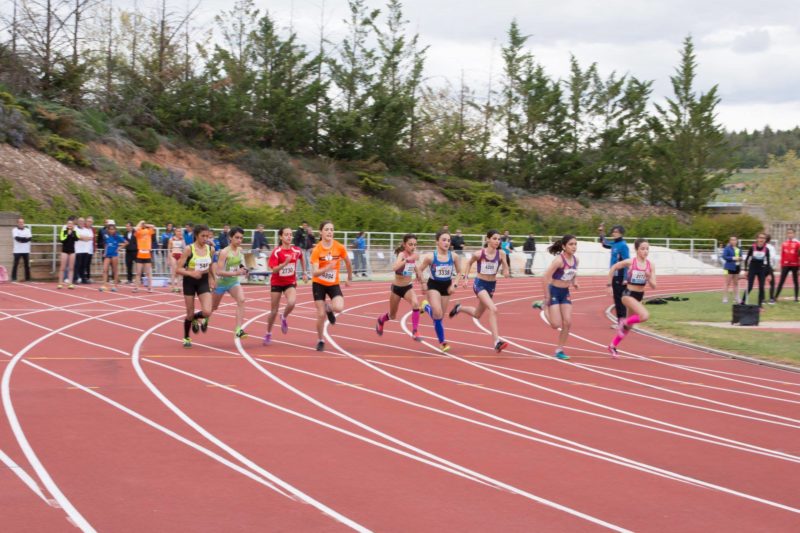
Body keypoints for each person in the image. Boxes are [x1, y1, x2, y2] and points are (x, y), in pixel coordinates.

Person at [448, 230, 510, 352]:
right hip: (479, 284)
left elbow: (506, 268)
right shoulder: (479, 254)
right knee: (493, 309)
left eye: (498, 239)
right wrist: (465, 278)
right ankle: (496, 342)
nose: (497, 241)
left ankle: (459, 308)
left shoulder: (501, 254)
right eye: (494, 238)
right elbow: (468, 263)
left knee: (477, 314)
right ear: (488, 239)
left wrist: (506, 271)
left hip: (491, 285)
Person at [607, 238, 657, 358]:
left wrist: (649, 277)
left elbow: (654, 286)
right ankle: (623, 321)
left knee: (628, 327)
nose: (645, 251)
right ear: (636, 250)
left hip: (639, 296)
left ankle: (612, 346)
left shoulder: (651, 265)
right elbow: (614, 267)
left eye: (647, 249)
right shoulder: (630, 262)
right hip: (628, 294)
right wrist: (609, 284)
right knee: (644, 316)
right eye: (642, 248)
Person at [310, 221, 353, 351]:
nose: (329, 232)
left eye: (332, 230)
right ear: (321, 232)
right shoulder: (317, 250)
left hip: (333, 283)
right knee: (321, 315)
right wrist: (327, 268)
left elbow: (348, 263)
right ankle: (320, 339)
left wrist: (349, 277)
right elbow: (315, 272)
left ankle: (329, 308)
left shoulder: (339, 247)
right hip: (318, 284)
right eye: (327, 229)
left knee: (339, 308)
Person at [417, 229, 462, 352]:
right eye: (444, 240)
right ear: (437, 242)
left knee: (440, 317)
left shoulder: (454, 256)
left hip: (447, 286)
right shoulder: (430, 257)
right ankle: (442, 342)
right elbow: (419, 269)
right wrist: (423, 283)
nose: (447, 242)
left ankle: (426, 307)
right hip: (433, 286)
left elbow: (459, 272)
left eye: (448, 240)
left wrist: (455, 285)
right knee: (437, 313)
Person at [264, 227, 308, 345]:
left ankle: (283, 316)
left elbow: (302, 257)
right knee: (273, 311)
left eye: (290, 234)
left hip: (289, 282)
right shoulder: (277, 252)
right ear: (281, 237)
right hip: (277, 282)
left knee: (292, 302)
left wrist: (304, 272)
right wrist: (284, 264)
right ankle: (268, 333)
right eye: (286, 234)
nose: (289, 236)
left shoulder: (296, 250)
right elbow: (273, 270)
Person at [375, 233, 422, 341]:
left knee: (416, 304)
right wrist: (406, 260)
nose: (413, 247)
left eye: (415, 245)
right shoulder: (402, 255)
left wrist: (420, 277)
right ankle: (381, 320)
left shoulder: (413, 255)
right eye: (410, 244)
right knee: (392, 316)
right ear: (405, 245)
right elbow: (395, 267)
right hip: (396, 289)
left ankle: (415, 331)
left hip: (407, 288)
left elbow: (416, 267)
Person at [540, 235, 580, 360]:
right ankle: (543, 307)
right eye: (571, 244)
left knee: (567, 322)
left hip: (565, 292)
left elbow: (573, 273)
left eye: (575, 244)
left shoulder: (576, 260)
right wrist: (547, 296)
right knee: (555, 324)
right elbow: (545, 278)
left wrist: (575, 282)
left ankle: (559, 350)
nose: (574, 247)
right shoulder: (559, 260)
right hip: (554, 292)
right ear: (564, 246)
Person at [176, 225, 216, 348]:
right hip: (189, 281)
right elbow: (178, 269)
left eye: (207, 236)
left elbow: (210, 266)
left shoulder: (211, 249)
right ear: (196, 236)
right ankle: (187, 337)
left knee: (207, 311)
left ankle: (196, 318)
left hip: (203, 281)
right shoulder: (189, 249)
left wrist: (212, 278)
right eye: (202, 236)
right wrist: (190, 273)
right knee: (189, 313)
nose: (205, 238)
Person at [212, 227, 249, 339]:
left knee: (241, 300)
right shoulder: (224, 252)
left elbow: (241, 263)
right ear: (230, 238)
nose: (239, 240)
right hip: (221, 283)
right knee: (213, 307)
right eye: (237, 237)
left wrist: (244, 269)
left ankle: (238, 329)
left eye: (241, 238)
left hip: (233, 282)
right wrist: (237, 272)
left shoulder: (239, 250)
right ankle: (202, 318)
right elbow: (218, 271)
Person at [599, 223, 630, 325]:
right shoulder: (614, 244)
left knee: (621, 300)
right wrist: (601, 232)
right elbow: (604, 243)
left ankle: (622, 322)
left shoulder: (623, 245)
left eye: (616, 232)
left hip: (620, 275)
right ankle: (620, 322)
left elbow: (627, 262)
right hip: (614, 274)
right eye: (613, 231)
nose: (613, 233)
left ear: (621, 233)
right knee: (617, 299)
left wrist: (626, 277)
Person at [742, 232, 771, 309]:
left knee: (761, 287)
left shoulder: (766, 249)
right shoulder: (752, 247)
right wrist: (746, 270)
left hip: (761, 269)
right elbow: (747, 259)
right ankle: (743, 301)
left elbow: (768, 262)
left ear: (765, 240)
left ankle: (760, 305)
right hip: (752, 268)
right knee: (750, 286)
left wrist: (769, 274)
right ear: (757, 239)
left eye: (763, 238)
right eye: (760, 238)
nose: (761, 239)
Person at [99, 224, 127, 292]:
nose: (111, 230)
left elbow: (126, 242)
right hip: (108, 255)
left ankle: (115, 286)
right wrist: (105, 252)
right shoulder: (106, 236)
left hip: (114, 255)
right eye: (110, 229)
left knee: (115, 270)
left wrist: (119, 248)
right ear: (108, 230)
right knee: (105, 270)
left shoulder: (117, 236)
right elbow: (106, 245)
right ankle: (104, 285)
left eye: (113, 229)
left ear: (115, 230)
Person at [775, 228, 800, 302]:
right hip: (785, 265)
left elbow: (799, 256)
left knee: (795, 281)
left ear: (794, 234)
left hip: (795, 265)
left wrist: (799, 268)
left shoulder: (798, 244)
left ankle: (796, 298)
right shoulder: (784, 243)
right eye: (788, 233)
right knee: (781, 281)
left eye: (791, 233)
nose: (790, 234)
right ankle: (775, 297)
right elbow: (782, 255)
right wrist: (781, 265)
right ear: (787, 234)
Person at [133, 220, 157, 293]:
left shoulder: (148, 231)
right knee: (138, 272)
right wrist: (140, 222)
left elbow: (153, 227)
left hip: (147, 254)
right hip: (140, 253)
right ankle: (136, 287)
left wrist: (146, 224)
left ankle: (150, 287)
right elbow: (135, 229)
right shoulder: (138, 231)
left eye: (143, 224)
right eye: (142, 224)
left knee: (148, 273)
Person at [57, 219, 78, 289]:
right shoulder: (64, 231)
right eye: (68, 223)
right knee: (62, 267)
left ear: (73, 225)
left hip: (72, 251)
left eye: (71, 224)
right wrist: (68, 234)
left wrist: (72, 233)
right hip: (64, 251)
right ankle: (60, 283)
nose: (70, 225)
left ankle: (70, 283)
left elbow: (77, 238)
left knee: (71, 268)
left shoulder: (75, 232)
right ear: (67, 225)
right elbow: (62, 240)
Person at [721, 235, 742, 304]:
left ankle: (737, 297)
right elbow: (724, 256)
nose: (733, 241)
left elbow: (741, 256)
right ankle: (725, 298)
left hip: (737, 267)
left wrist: (740, 258)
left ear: (737, 241)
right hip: (729, 267)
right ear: (730, 241)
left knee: (736, 283)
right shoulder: (727, 248)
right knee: (727, 283)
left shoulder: (739, 248)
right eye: (732, 240)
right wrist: (733, 258)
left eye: (735, 240)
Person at [73, 217, 93, 284]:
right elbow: (76, 237)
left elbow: (90, 238)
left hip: (86, 250)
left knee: (83, 265)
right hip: (77, 250)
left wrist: (81, 237)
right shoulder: (75, 228)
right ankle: (75, 278)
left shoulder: (87, 230)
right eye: (80, 221)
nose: (81, 222)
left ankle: (83, 278)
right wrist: (83, 237)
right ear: (78, 222)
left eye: (82, 221)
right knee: (77, 265)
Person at [11, 217, 32, 282]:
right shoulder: (14, 230)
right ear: (17, 223)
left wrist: (22, 240)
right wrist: (24, 239)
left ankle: (28, 278)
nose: (21, 223)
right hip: (17, 250)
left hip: (26, 250)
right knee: (15, 264)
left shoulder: (27, 230)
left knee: (27, 265)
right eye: (20, 222)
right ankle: (13, 278)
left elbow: (29, 239)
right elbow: (17, 238)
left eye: (22, 222)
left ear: (24, 223)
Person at [765, 234, 778, 304]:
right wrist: (774, 266)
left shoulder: (761, 247)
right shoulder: (771, 247)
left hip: (762, 266)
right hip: (769, 266)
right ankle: (771, 299)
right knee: (772, 283)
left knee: (762, 283)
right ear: (770, 240)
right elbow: (773, 257)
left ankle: (762, 299)